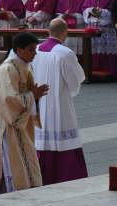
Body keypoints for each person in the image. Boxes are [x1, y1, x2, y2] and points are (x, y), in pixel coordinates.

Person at [0, 32, 48, 198]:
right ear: (19, 50)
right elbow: (8, 100)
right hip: (5, 124)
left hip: (17, 122)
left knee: (20, 159)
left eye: (35, 50)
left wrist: (33, 95)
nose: (34, 53)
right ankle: (9, 193)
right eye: (31, 50)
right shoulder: (7, 69)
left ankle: (18, 189)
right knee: (8, 160)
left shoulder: (24, 65)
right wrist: (32, 96)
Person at [32, 19, 88, 185]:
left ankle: (42, 175)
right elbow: (76, 79)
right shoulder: (65, 53)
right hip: (59, 102)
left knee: (42, 138)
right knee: (63, 134)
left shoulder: (35, 49)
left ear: (48, 31)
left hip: (39, 101)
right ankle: (66, 174)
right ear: (65, 32)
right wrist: (70, 91)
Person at [82, 0, 117, 78]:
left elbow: (113, 11)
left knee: (105, 49)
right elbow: (84, 9)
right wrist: (91, 11)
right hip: (93, 27)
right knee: (94, 49)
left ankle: (109, 72)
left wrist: (102, 13)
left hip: (106, 30)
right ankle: (93, 70)